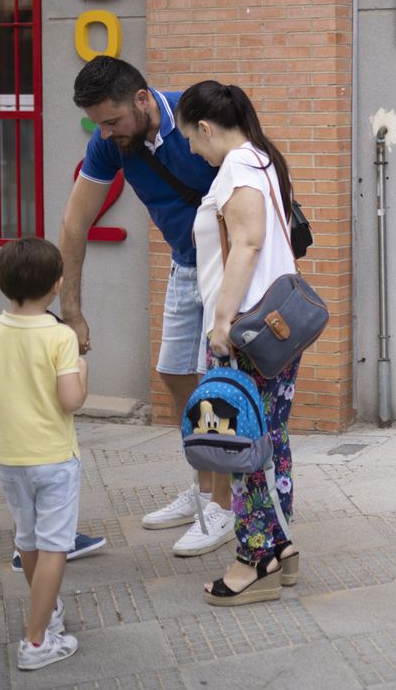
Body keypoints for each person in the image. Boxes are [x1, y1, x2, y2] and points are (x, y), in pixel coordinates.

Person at [57, 56, 233, 557]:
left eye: (111, 121)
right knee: (177, 373)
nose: (107, 133)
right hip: (185, 265)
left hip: (230, 267)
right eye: (99, 124)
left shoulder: (194, 116)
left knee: (219, 379)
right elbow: (74, 222)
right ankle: (204, 488)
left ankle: (224, 505)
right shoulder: (110, 142)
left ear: (141, 99)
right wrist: (73, 309)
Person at [176, 81, 301, 607]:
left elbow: (246, 244)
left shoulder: (236, 168)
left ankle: (256, 558)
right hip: (275, 324)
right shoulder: (263, 158)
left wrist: (221, 324)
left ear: (206, 128)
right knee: (269, 435)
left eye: (190, 138)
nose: (190, 150)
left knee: (241, 442)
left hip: (245, 330)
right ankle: (280, 546)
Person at [0, 237, 88, 671]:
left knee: (28, 540)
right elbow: (70, 400)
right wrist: (82, 370)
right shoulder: (60, 336)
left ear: (4, 284)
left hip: (8, 456)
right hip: (54, 457)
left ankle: (48, 610)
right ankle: (36, 641)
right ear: (57, 284)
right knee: (56, 544)